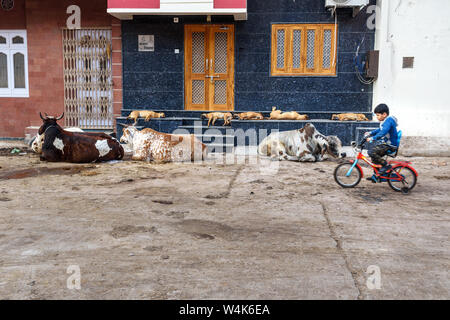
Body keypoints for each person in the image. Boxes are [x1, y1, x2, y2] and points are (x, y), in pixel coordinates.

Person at [365, 104, 399, 176]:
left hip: (390, 145)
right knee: (374, 156)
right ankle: (377, 175)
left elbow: (383, 132)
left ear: (384, 114)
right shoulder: (386, 121)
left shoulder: (389, 121)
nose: (376, 117)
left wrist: (372, 138)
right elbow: (380, 130)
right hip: (387, 144)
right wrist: (370, 133)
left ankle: (386, 165)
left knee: (371, 152)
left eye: (377, 115)